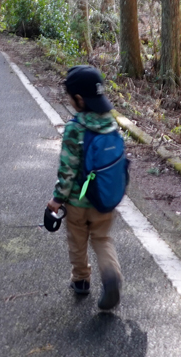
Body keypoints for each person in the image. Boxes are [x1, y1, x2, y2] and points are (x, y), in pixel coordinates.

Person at [46, 65, 123, 311]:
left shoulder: (74, 128)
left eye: (70, 97)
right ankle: (111, 275)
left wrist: (57, 200)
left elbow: (67, 171)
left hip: (78, 204)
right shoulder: (111, 123)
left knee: (77, 241)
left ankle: (80, 280)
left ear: (79, 99)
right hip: (103, 200)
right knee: (102, 239)